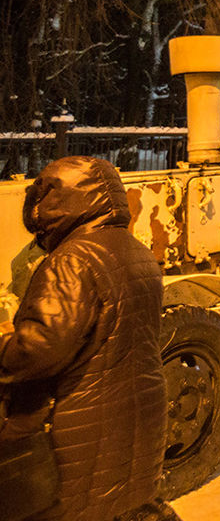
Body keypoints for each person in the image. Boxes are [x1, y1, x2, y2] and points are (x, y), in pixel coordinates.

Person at [0, 156, 167, 521]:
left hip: (78, 431)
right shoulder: (137, 252)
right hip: (134, 417)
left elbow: (40, 348)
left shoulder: (73, 260)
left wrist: (5, 343)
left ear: (60, 204)